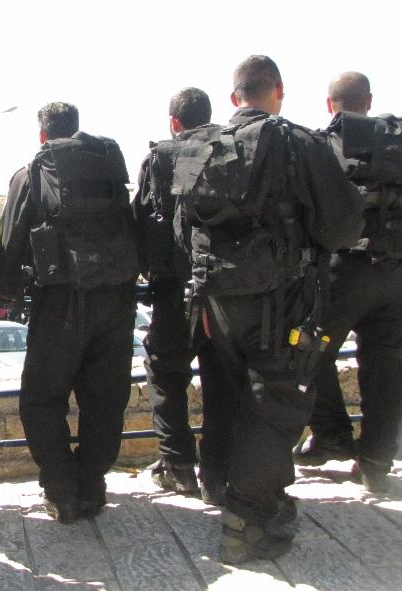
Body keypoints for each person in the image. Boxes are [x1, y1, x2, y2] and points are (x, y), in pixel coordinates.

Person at [171, 56, 363, 564]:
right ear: (278, 90)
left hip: (217, 304)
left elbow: (181, 230)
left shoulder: (200, 145)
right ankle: (244, 521)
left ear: (234, 97)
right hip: (282, 302)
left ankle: (267, 501)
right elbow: (343, 227)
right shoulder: (300, 143)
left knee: (249, 401)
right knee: (277, 405)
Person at [0, 102, 140, 523]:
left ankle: (62, 491)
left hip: (59, 302)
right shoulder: (108, 171)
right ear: (76, 129)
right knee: (105, 399)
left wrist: (6, 290)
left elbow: (10, 243)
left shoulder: (31, 174)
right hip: (116, 299)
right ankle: (92, 485)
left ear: (42, 135)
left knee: (42, 398)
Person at [293, 72, 402, 493]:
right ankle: (375, 464)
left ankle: (332, 435)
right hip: (395, 270)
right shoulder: (395, 145)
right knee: (386, 366)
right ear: (369, 102)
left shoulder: (324, 145)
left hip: (343, 271)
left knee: (307, 352)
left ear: (330, 105)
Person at [132, 88, 238, 505]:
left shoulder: (161, 157)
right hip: (225, 288)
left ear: (174, 122)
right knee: (221, 378)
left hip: (174, 289)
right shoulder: (229, 151)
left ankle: (177, 466)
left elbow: (141, 222)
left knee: (165, 371)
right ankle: (217, 474)